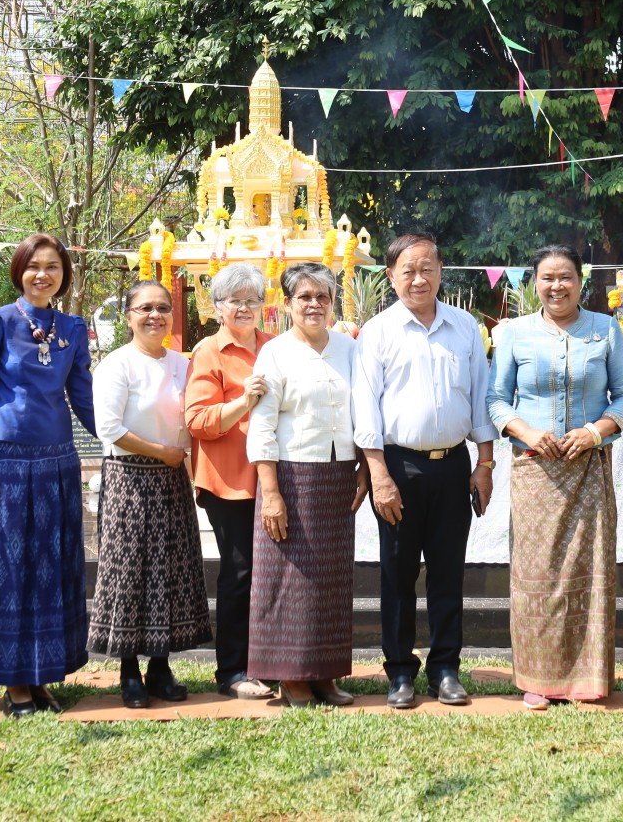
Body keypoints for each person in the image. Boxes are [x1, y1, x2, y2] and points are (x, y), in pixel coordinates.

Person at [488, 245, 623, 710]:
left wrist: (595, 433)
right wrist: (529, 432)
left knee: (589, 570)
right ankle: (537, 678)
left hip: (589, 468)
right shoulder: (514, 333)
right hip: (534, 469)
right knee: (536, 574)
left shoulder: (605, 330)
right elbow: (496, 401)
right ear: (534, 282)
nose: (557, 286)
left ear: (580, 280)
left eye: (566, 277)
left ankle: (588, 679)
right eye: (548, 278)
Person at [0, 233, 95, 718]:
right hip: (4, 463)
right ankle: (15, 681)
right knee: (8, 570)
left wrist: (123, 443)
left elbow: (84, 397)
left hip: (58, 462)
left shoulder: (72, 329)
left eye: (53, 266)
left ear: (64, 274)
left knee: (51, 569)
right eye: (34, 266)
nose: (43, 274)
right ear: (18, 270)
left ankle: (43, 674)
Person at [354, 233, 495, 709]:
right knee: (396, 572)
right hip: (398, 466)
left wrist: (486, 463)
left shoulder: (465, 327)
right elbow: (366, 409)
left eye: (427, 268)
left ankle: (445, 669)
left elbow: (480, 399)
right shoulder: (377, 332)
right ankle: (399, 672)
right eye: (408, 270)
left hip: (453, 464)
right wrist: (379, 475)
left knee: (447, 571)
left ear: (441, 271)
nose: (419, 278)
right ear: (391, 276)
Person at [247, 263, 368, 707]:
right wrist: (271, 492)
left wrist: (365, 469)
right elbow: (261, 427)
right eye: (305, 297)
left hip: (339, 474)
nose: (315, 305)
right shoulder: (274, 353)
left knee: (331, 578)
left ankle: (325, 674)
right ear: (288, 304)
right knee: (288, 578)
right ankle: (291, 677)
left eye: (323, 297)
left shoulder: (349, 348)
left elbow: (365, 413)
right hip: (290, 476)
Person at [88, 280, 211, 707]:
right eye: (144, 308)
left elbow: (193, 421)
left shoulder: (183, 363)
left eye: (162, 307)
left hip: (173, 479)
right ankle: (128, 671)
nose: (154, 315)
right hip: (129, 478)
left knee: (170, 572)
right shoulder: (116, 365)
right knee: (128, 574)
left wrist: (195, 474)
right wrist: (162, 452)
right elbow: (111, 429)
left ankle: (160, 665)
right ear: (128, 316)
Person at [184, 264, 275, 700]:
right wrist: (245, 401)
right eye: (234, 300)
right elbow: (198, 421)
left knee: (272, 573)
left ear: (264, 305)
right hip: (229, 481)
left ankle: (272, 661)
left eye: (251, 300)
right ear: (217, 307)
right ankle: (233, 670)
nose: (243, 308)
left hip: (275, 478)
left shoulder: (276, 348)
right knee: (240, 572)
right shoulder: (208, 352)